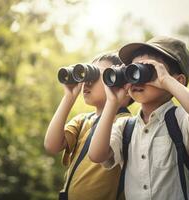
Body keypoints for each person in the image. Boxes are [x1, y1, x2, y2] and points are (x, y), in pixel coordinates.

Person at [89, 36, 189, 200]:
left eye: (148, 71)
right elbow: (96, 155)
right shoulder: (125, 127)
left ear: (177, 81)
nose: (137, 77)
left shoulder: (180, 119)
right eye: (132, 70)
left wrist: (165, 80)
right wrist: (112, 102)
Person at [44, 52, 132, 200]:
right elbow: (52, 145)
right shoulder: (83, 120)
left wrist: (113, 101)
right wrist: (69, 97)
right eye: (87, 75)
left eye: (97, 76)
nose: (87, 82)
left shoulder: (127, 124)